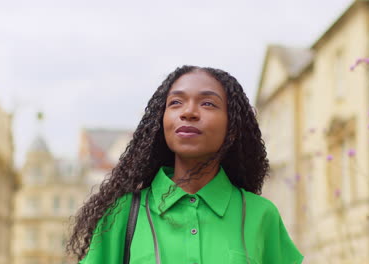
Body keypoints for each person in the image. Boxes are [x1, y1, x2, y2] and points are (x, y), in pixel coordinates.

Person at [67, 65, 304, 264]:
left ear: (232, 128)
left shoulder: (261, 215)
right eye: (176, 102)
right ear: (162, 121)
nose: (189, 112)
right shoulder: (121, 213)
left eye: (208, 104)